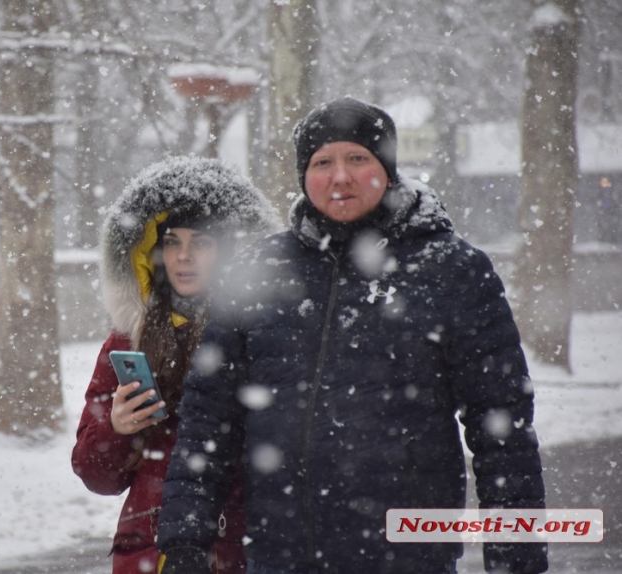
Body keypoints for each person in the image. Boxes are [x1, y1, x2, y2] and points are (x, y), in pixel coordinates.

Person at [156, 97, 548, 574]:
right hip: (281, 554)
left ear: (386, 168)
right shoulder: (258, 271)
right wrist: (184, 538)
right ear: (304, 175)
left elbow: (502, 432)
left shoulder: (453, 271)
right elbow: (208, 418)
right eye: (323, 162)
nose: (340, 176)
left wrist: (517, 557)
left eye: (357, 158)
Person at [71, 155, 279, 574]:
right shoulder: (129, 340)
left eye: (200, 242)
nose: (183, 256)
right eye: (171, 242)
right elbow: (95, 475)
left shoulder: (262, 336)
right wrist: (116, 429)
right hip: (148, 554)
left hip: (242, 550)